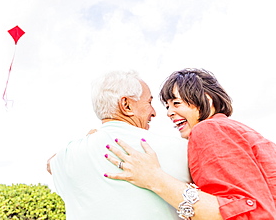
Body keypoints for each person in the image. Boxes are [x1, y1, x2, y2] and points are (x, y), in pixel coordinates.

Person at [104, 68, 276, 220]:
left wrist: (154, 178)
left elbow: (249, 212)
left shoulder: (208, 129)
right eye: (167, 106)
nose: (169, 113)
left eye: (176, 103)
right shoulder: (238, 131)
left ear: (206, 99)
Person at [48, 70, 191, 220]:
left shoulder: (65, 158)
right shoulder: (180, 149)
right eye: (149, 102)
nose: (153, 112)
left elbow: (50, 164)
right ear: (126, 105)